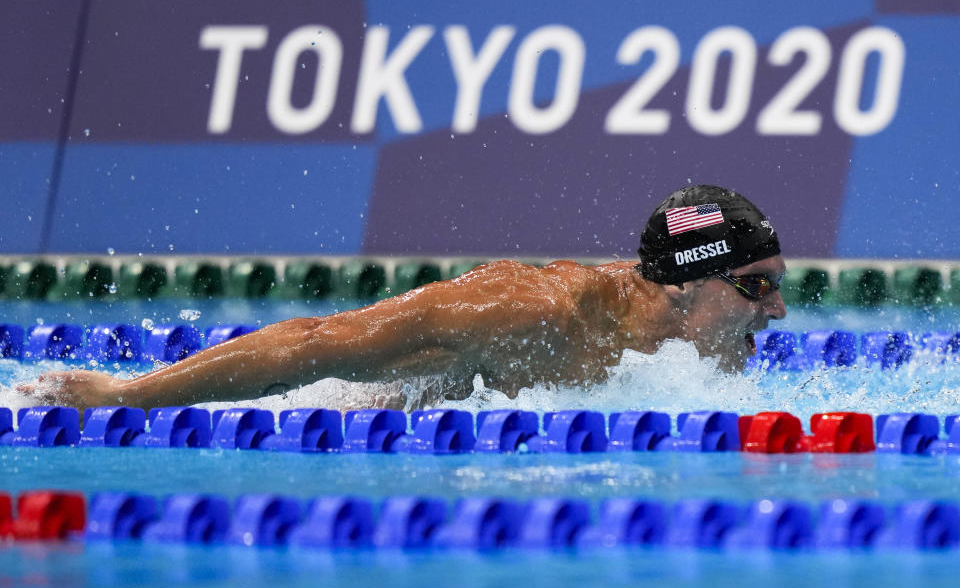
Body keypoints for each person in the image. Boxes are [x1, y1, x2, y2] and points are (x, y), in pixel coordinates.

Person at [19, 184, 786, 411]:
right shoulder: (532, 309)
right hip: (326, 422)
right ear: (687, 282)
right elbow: (317, 345)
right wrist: (127, 395)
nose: (777, 311)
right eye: (758, 288)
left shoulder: (701, 360)